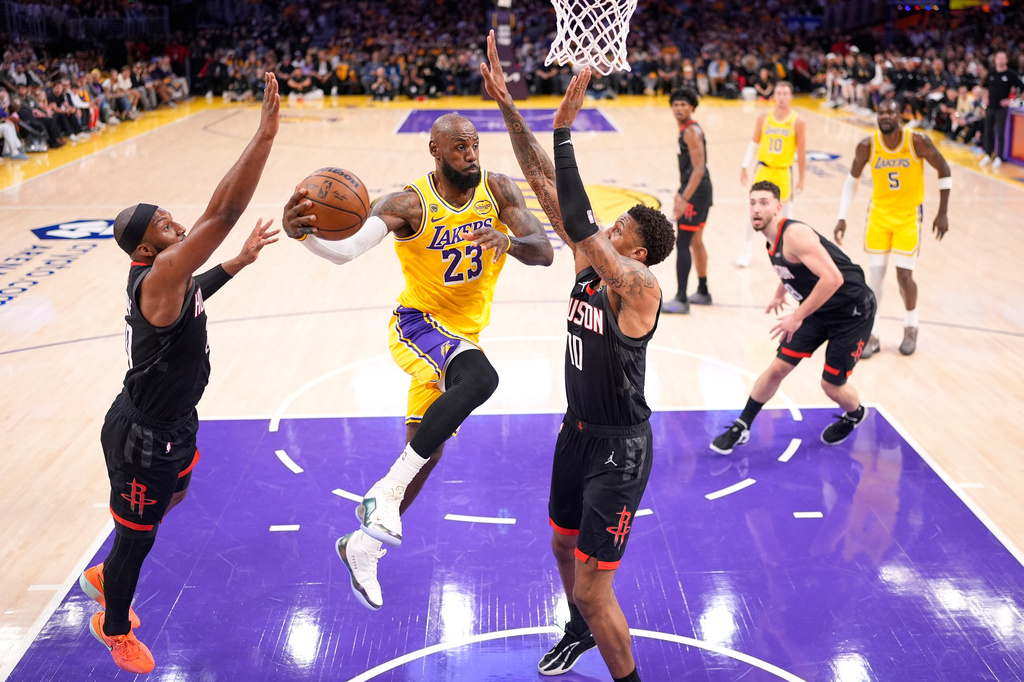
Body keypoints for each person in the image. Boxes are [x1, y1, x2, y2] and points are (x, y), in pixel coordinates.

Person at [281, 108, 554, 611]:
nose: (470, 154)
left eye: (474, 145)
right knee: (481, 378)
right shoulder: (410, 203)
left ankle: (361, 547)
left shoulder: (497, 190)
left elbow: (544, 251)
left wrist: (509, 241)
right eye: (459, 147)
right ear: (435, 151)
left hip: (461, 336)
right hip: (418, 327)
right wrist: (305, 235)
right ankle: (383, 493)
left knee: (425, 454)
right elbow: (347, 252)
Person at [481, 32, 675, 682]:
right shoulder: (594, 263)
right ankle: (576, 630)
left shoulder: (639, 287)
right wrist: (511, 107)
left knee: (598, 589)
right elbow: (542, 181)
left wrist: (565, 130)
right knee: (561, 544)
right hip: (577, 432)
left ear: (638, 250)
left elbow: (583, 223)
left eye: (622, 229)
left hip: (621, 447)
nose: (607, 228)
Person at [78, 73, 280, 674]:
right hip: (144, 435)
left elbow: (194, 290)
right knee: (139, 542)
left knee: (180, 490)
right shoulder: (160, 273)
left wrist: (237, 263)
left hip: (172, 420)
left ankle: (114, 559)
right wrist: (263, 137)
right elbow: (224, 210)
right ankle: (112, 624)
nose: (178, 223)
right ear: (145, 248)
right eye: (166, 224)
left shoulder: (170, 280)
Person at [712, 181, 875, 455]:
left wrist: (797, 316)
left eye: (764, 203)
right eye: (752, 202)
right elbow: (792, 266)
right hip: (818, 308)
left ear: (778, 207)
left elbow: (833, 278)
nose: (756, 208)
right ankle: (743, 425)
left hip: (852, 311)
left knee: (831, 385)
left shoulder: (795, 234)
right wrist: (780, 292)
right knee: (778, 368)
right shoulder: (770, 238)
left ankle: (855, 413)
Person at [834, 98, 950, 357]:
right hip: (879, 216)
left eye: (891, 111)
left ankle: (911, 325)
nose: (885, 115)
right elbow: (851, 180)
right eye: (881, 112)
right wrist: (842, 216)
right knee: (874, 278)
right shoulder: (867, 145)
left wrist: (942, 212)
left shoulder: (917, 142)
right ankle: (872, 333)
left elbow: (944, 169)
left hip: (909, 216)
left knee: (904, 277)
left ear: (901, 116)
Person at [737, 81, 806, 267]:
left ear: (791, 97)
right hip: (764, 170)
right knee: (753, 211)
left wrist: (802, 179)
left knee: (786, 215)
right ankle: (746, 248)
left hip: (784, 173)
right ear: (773, 96)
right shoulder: (763, 118)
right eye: (779, 93)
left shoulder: (798, 121)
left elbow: (801, 152)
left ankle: (786, 252)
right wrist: (744, 166)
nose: (782, 97)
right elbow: (754, 144)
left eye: (785, 93)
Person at [662, 87, 712, 314]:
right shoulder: (686, 130)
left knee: (683, 243)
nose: (679, 108)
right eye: (676, 104)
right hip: (698, 191)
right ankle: (703, 291)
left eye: (684, 105)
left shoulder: (691, 132)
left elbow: (699, 169)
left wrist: (684, 197)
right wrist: (681, 190)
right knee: (696, 241)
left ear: (692, 107)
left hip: (696, 194)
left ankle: (681, 299)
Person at [979, 51, 1022, 169]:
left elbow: (1021, 91)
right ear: (995, 60)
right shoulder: (991, 72)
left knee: (1000, 133)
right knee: (987, 131)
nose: (1001, 60)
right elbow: (984, 88)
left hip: (1002, 109)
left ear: (1006, 60)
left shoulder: (1011, 74)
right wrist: (985, 98)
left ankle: (999, 157)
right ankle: (988, 154)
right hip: (990, 107)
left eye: (1003, 58)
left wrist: (1010, 101)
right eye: (999, 58)